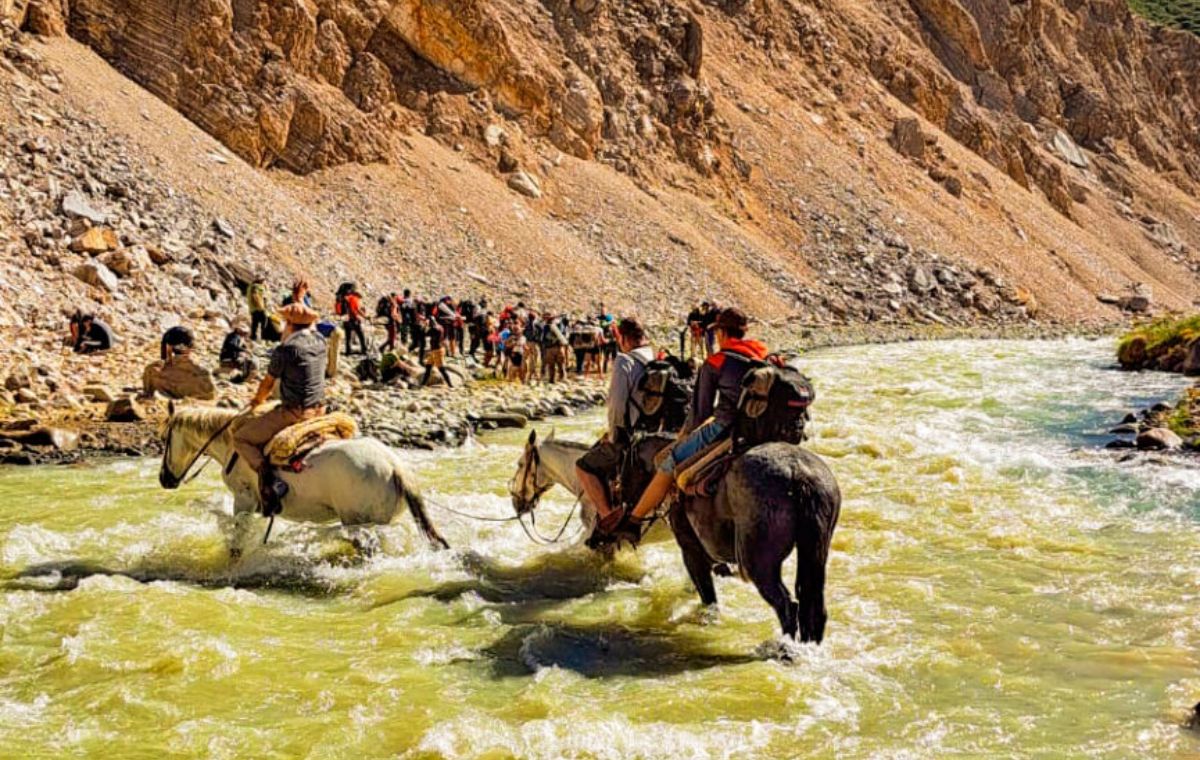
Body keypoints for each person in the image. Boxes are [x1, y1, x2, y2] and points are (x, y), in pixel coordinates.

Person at [617, 308, 767, 530]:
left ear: (722, 333)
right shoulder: (763, 357)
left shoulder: (717, 361)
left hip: (726, 428)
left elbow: (700, 413)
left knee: (669, 462)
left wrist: (683, 437)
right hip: (760, 429)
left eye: (717, 332)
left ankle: (633, 521)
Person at [232, 293, 328, 516]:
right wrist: (300, 297)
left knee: (241, 438)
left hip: (294, 413)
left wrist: (257, 401)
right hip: (320, 409)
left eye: (285, 322)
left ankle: (269, 483)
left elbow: (267, 384)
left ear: (289, 325)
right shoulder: (320, 342)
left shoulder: (285, 350)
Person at [576, 317, 656, 534]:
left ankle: (607, 517)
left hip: (633, 437)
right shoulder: (657, 357)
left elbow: (616, 407)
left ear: (622, 337)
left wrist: (612, 437)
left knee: (584, 466)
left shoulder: (625, 361)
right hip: (658, 433)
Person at [420, 317, 455, 388]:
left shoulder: (433, 329)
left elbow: (423, 334)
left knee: (441, 369)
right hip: (436, 349)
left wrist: (425, 325)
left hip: (436, 351)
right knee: (428, 366)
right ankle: (423, 384)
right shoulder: (440, 327)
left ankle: (450, 385)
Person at [336, 283, 368, 356]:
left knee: (348, 336)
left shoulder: (342, 298)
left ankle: (348, 351)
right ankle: (364, 350)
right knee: (361, 335)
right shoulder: (353, 298)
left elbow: (338, 311)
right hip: (354, 320)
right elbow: (357, 309)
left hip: (346, 320)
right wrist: (365, 316)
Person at [541, 313, 569, 383]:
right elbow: (564, 335)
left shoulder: (546, 327)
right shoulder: (560, 326)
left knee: (552, 365)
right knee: (560, 364)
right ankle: (562, 378)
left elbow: (543, 339)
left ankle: (552, 379)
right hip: (559, 347)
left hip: (550, 349)